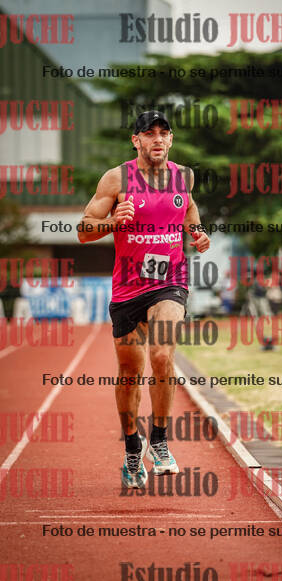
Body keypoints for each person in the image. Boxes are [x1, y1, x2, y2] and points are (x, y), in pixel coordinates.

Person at [77, 111, 210, 488]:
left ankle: (161, 441)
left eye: (163, 133)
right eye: (149, 133)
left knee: (162, 356)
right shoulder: (116, 179)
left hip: (170, 280)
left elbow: (189, 208)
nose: (157, 139)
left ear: (171, 139)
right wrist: (112, 222)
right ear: (136, 140)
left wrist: (197, 232)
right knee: (130, 371)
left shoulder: (184, 176)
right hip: (128, 288)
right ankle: (132, 448)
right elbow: (83, 231)